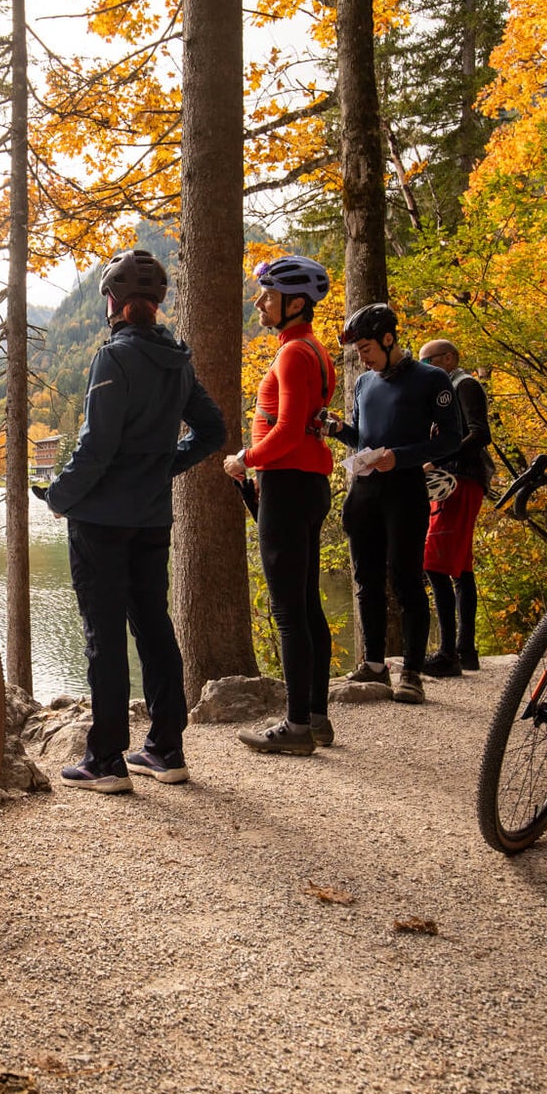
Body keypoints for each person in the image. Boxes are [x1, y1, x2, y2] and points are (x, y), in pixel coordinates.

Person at [45, 248, 226, 793]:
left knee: (103, 633)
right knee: (153, 623)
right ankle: (167, 749)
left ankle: (106, 760)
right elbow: (212, 432)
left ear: (115, 303)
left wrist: (59, 496)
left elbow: (96, 446)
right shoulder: (178, 361)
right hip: (150, 518)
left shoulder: (114, 357)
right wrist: (163, 467)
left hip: (100, 519)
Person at [224, 255, 340, 754]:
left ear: (295, 303)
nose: (259, 303)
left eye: (268, 296)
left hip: (288, 485)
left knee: (288, 610)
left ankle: (296, 728)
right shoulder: (314, 350)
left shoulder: (294, 354)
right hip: (307, 485)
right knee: (308, 604)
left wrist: (244, 459)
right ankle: (315, 717)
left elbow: (289, 432)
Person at [325, 304, 463, 704]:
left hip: (405, 491)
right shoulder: (365, 384)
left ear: (388, 339)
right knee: (366, 580)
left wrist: (402, 457)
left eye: (366, 348)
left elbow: (452, 438)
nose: (362, 357)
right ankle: (373, 664)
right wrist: (338, 430)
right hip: (365, 490)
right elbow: (361, 438)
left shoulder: (431, 378)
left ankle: (413, 673)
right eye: (358, 351)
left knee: (406, 580)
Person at [413, 339, 491, 678]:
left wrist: (435, 460)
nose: (425, 367)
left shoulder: (464, 384)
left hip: (459, 479)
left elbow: (479, 433)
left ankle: (448, 653)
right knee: (460, 567)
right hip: (456, 478)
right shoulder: (444, 390)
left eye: (429, 361)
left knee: (435, 564)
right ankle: (465, 650)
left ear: (449, 358)